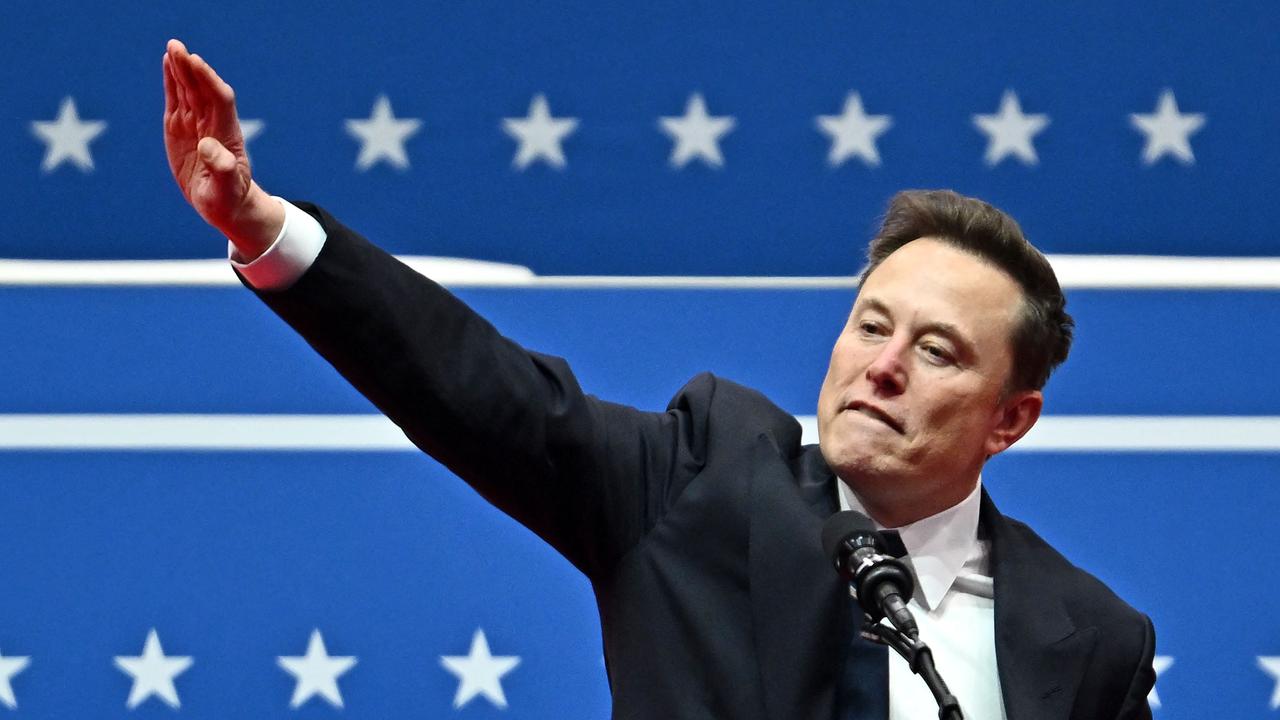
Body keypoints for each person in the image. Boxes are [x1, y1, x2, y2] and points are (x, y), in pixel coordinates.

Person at [162, 39, 1156, 719]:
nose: (881, 368)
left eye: (934, 352)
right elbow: (477, 389)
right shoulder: (698, 482)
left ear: (1009, 418)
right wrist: (264, 230)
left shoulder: (1092, 641)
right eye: (868, 326)